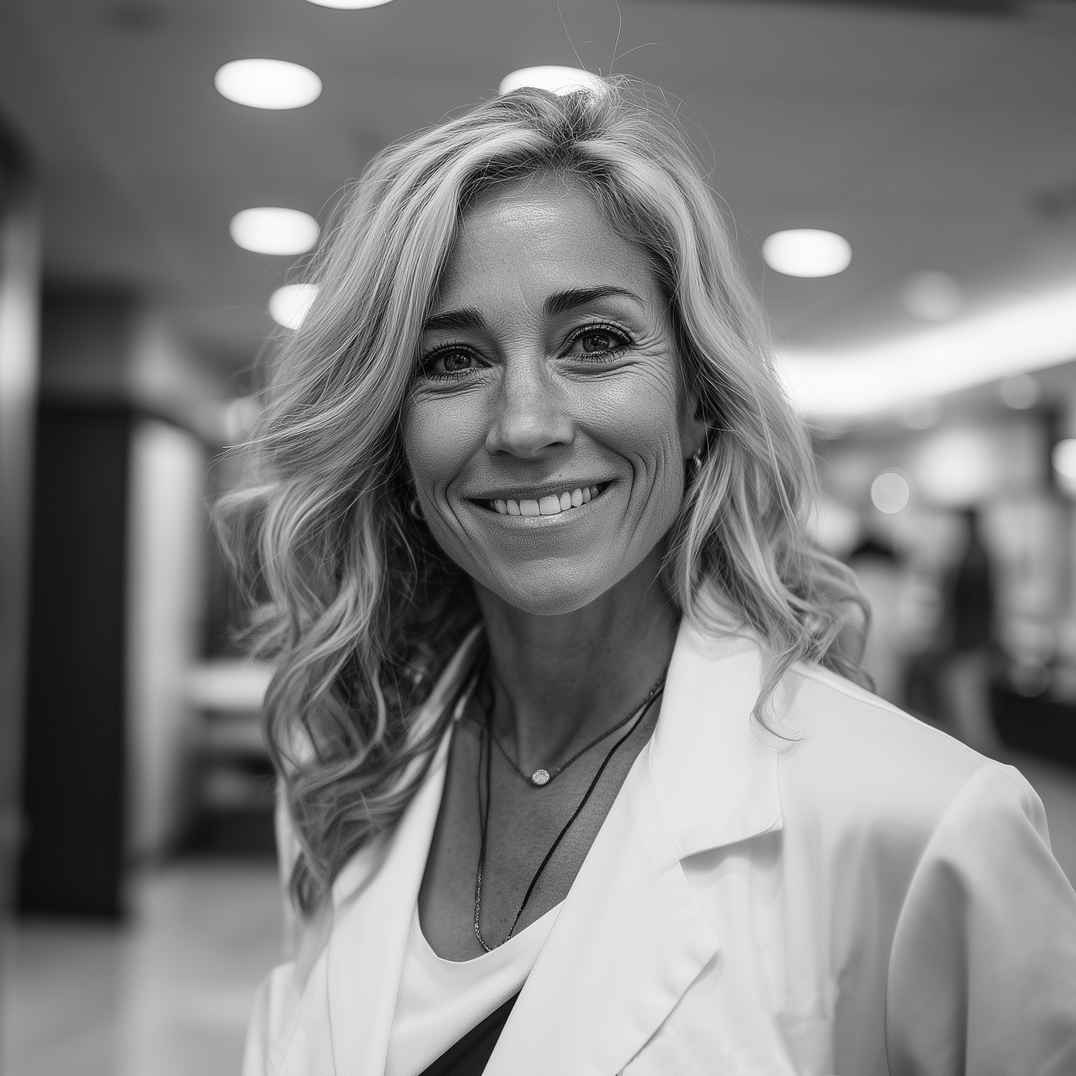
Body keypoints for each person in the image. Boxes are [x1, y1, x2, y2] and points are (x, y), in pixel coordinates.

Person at [226, 79, 1076, 1076]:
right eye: (449, 359)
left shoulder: (918, 820)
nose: (526, 424)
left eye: (594, 341)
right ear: (391, 439)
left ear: (696, 405)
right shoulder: (346, 767)